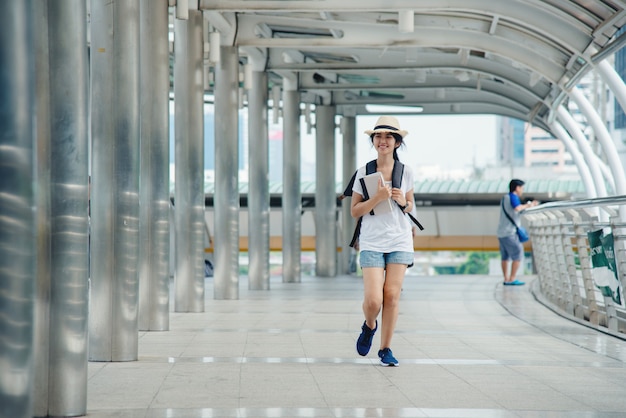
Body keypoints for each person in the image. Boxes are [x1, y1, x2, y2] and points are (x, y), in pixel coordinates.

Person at [351, 116, 414, 367]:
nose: (383, 140)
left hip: (399, 240)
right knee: (374, 300)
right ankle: (369, 325)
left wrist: (402, 202)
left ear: (397, 142)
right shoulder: (363, 172)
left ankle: (385, 348)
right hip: (372, 242)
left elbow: (410, 206)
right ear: (373, 140)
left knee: (392, 295)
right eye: (378, 136)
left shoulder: (406, 172)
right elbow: (355, 211)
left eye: (389, 137)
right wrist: (377, 197)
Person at [497, 179, 538, 286]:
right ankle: (512, 278)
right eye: (522, 188)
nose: (522, 191)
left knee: (505, 257)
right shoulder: (513, 197)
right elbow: (517, 208)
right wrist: (529, 205)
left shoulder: (504, 198)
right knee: (518, 254)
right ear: (517, 188)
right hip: (510, 232)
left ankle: (506, 279)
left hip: (501, 232)